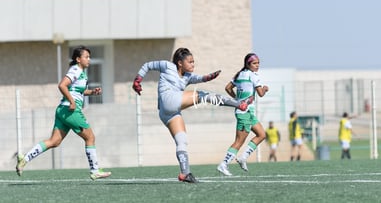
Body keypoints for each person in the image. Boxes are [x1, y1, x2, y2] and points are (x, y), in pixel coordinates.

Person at [132, 47, 253, 183]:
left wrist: (209, 77)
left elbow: (200, 78)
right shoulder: (167, 66)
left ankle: (185, 173)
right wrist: (138, 80)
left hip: (167, 113)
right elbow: (147, 65)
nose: (193, 64)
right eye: (190, 62)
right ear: (179, 62)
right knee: (203, 95)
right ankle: (239, 104)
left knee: (182, 140)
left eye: (193, 62)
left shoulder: (188, 77)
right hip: (168, 100)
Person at [16, 45, 111, 180]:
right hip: (70, 110)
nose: (89, 59)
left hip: (63, 110)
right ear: (78, 59)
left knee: (54, 141)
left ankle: (24, 159)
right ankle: (95, 170)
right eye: (86, 57)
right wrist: (72, 102)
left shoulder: (81, 73)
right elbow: (62, 85)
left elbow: (78, 91)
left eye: (89, 57)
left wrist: (92, 92)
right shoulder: (76, 70)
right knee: (90, 137)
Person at [217, 53, 269, 176]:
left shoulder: (239, 75)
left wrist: (237, 100)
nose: (257, 66)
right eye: (254, 63)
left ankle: (243, 158)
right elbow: (261, 93)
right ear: (248, 64)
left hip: (246, 112)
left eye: (258, 63)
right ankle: (223, 164)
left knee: (261, 134)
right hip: (245, 113)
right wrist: (265, 88)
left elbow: (228, 88)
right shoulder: (253, 76)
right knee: (238, 142)